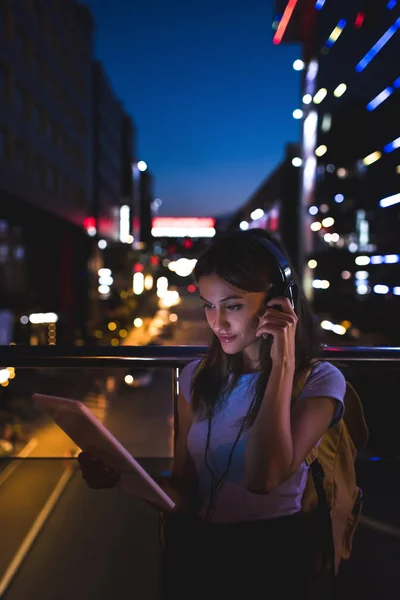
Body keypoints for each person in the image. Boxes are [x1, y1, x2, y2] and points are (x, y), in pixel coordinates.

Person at [78, 228, 346, 600]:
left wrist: (281, 363)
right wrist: (123, 476)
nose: (216, 322)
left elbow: (263, 478)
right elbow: (186, 493)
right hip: (193, 553)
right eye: (208, 304)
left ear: (279, 304)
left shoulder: (318, 381)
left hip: (270, 560)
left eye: (232, 305)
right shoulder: (196, 377)